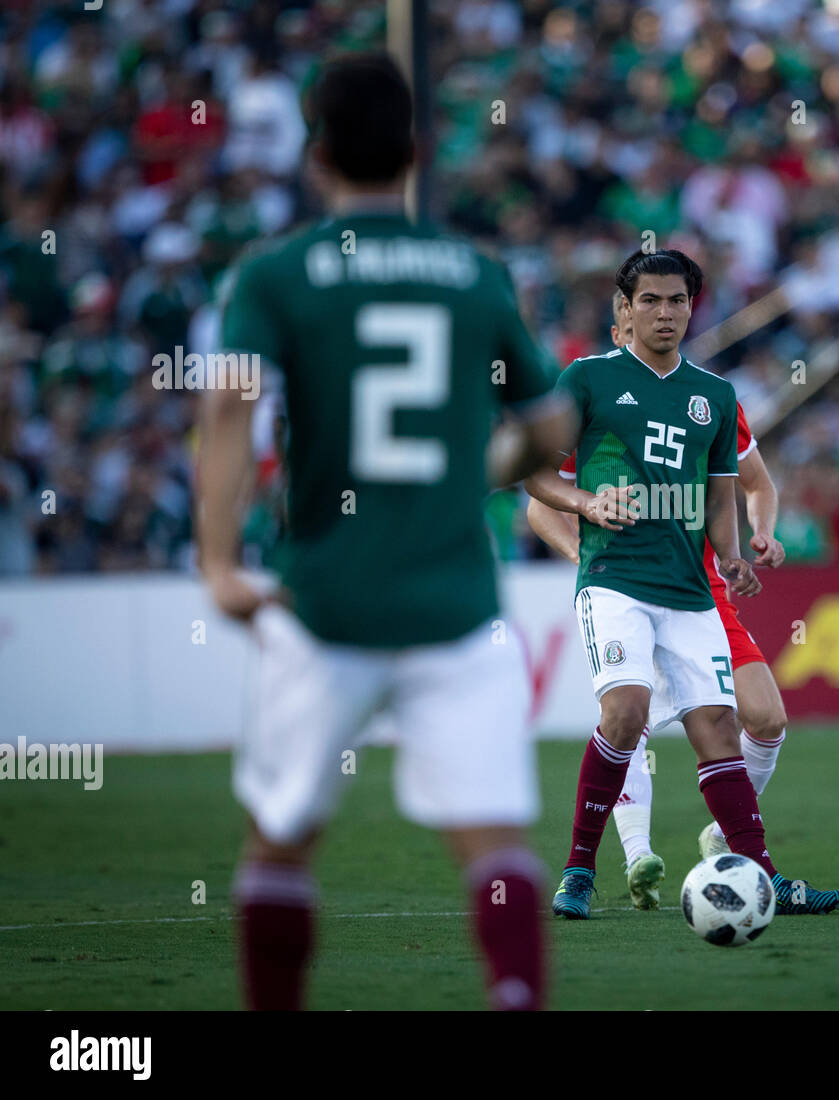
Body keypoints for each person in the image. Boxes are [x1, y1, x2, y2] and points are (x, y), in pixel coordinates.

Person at [197, 53, 574, 1010]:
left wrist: (217, 564)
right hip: (454, 599)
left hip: (323, 598)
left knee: (283, 838)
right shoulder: (474, 273)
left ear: (315, 154)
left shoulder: (275, 276)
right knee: (492, 843)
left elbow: (230, 408)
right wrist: (468, 477)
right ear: (415, 150)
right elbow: (550, 426)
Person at [526, 248, 839, 919]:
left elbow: (723, 498)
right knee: (626, 711)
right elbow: (531, 478)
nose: (664, 312)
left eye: (676, 300)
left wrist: (733, 558)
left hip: (691, 592)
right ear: (625, 309)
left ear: (692, 306)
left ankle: (758, 875)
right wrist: (588, 506)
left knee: (721, 731)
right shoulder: (586, 381)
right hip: (615, 580)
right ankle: (579, 870)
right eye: (650, 300)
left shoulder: (715, 396)